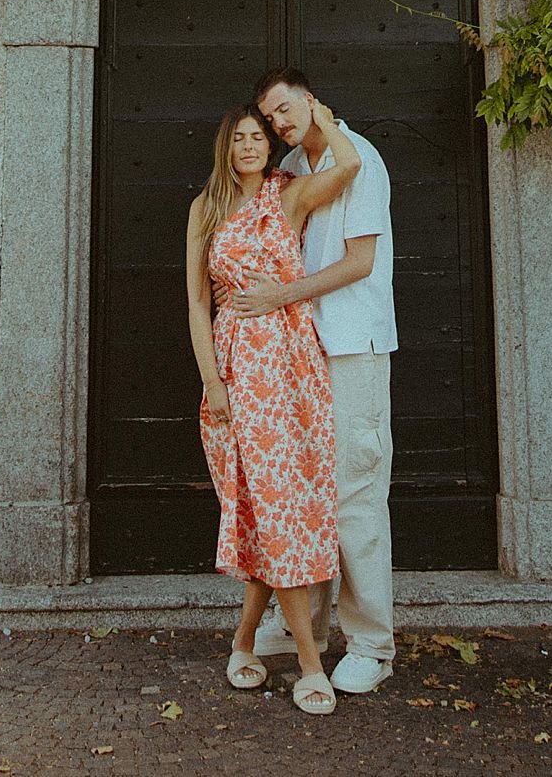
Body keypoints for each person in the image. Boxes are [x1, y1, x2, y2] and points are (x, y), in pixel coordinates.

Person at [186, 100, 362, 717]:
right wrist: (213, 381)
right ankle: (311, 664)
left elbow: (349, 164)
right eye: (238, 138)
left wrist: (321, 117)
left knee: (282, 509)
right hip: (236, 370)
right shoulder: (205, 210)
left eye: (258, 137)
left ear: (270, 146)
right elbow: (197, 306)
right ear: (225, 147)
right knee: (270, 510)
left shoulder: (288, 197)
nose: (250, 146)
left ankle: (243, 641)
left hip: (293, 366)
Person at [233, 68, 396, 695]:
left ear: (311, 100)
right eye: (270, 117)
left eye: (284, 109)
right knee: (307, 492)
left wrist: (280, 296)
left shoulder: (365, 160)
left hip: (353, 347)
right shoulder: (298, 164)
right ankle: (312, 625)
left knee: (355, 493)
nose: (277, 123)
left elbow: (360, 262)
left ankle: (372, 643)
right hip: (301, 352)